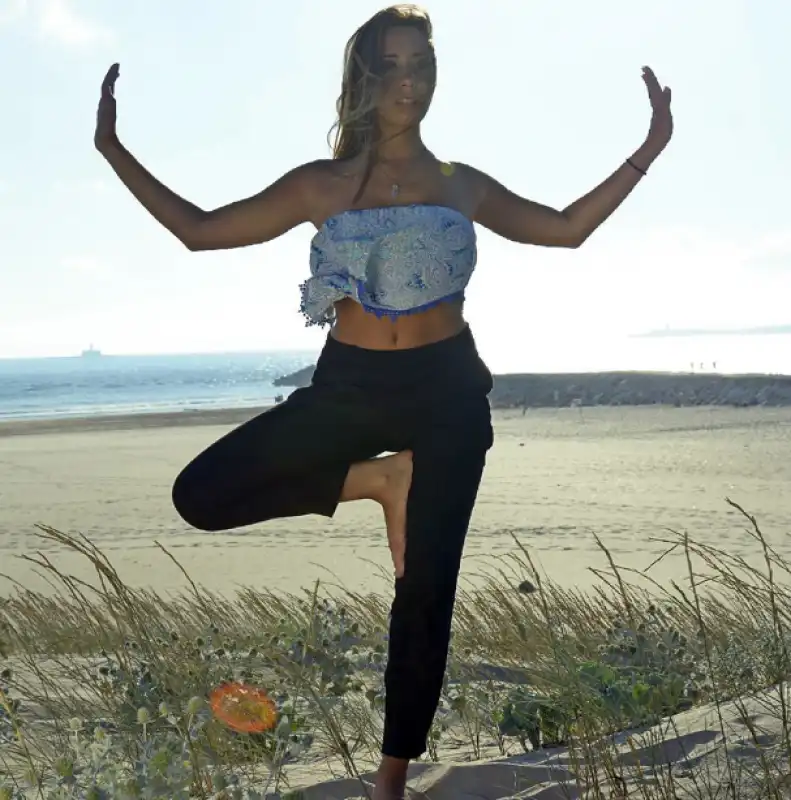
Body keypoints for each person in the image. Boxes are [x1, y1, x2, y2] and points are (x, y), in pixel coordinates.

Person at [93, 5, 673, 797]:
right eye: (392, 65)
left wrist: (647, 150)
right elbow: (198, 230)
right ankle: (378, 479)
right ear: (363, 79)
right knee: (201, 494)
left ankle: (391, 778)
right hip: (348, 389)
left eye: (421, 65)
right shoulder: (319, 185)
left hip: (446, 391)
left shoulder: (459, 183)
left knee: (425, 586)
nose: (409, 81)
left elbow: (565, 227)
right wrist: (112, 150)